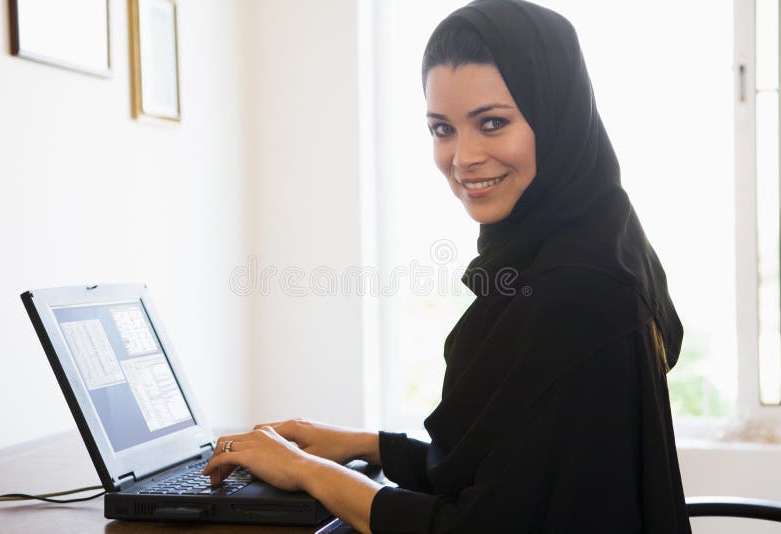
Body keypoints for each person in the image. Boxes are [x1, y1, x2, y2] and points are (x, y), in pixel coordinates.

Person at [202, 1, 693, 532]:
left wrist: (308, 472)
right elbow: (511, 463)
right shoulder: (600, 237)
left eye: (492, 122)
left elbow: (476, 524)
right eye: (442, 129)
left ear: (557, 119)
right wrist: (367, 446)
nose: (462, 158)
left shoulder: (574, 292)